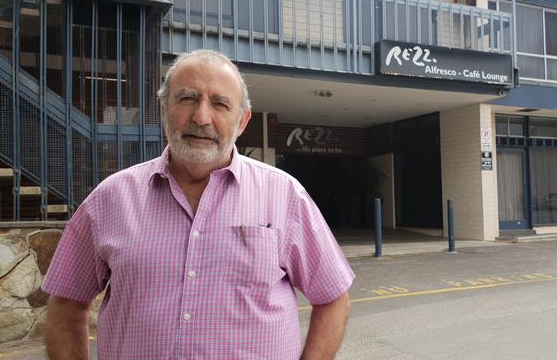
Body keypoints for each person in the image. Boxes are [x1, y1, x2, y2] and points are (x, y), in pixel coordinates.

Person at [42, 49, 355, 359]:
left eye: (219, 103)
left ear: (242, 120)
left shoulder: (285, 195)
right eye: (187, 98)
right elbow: (67, 302)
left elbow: (332, 300)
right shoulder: (110, 199)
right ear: (165, 108)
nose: (201, 117)